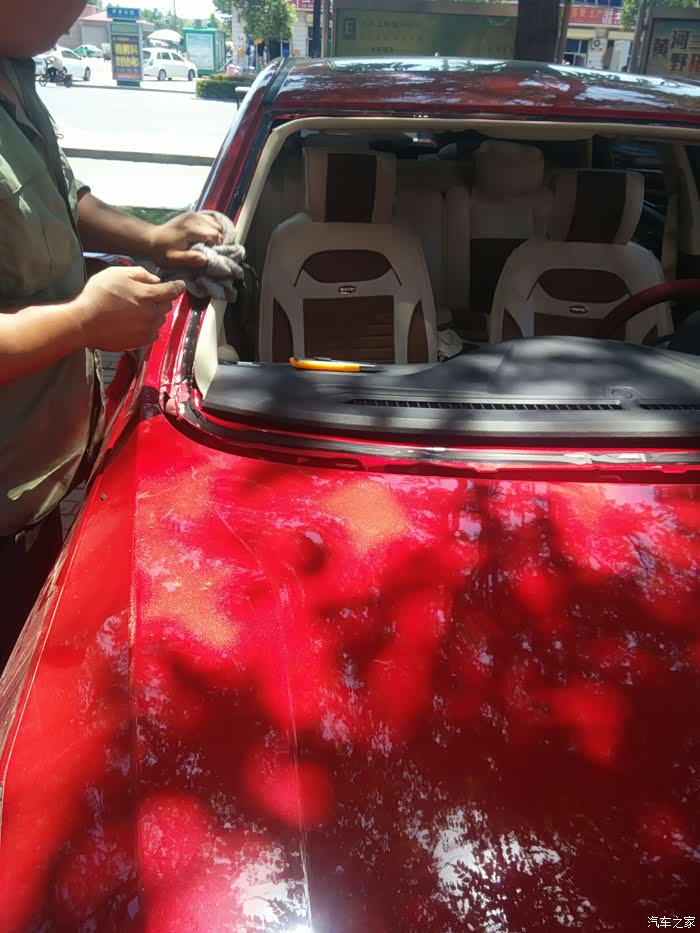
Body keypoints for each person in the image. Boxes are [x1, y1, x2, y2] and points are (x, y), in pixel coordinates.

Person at [0, 0, 224, 666]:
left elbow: (60, 195)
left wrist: (152, 238)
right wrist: (83, 322)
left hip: (33, 490)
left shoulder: (15, 75)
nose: (75, 17)